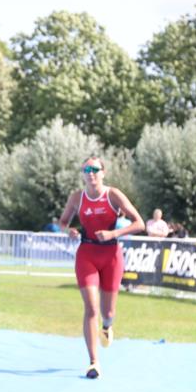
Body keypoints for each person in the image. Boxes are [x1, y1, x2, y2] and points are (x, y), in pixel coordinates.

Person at [58, 156, 144, 380]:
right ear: (83, 173)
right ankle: (94, 362)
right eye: (86, 169)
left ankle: (107, 325)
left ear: (103, 172)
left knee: (107, 312)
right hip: (86, 254)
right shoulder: (77, 197)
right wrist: (69, 231)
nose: (91, 173)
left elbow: (139, 223)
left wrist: (113, 233)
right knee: (91, 308)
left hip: (111, 256)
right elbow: (63, 222)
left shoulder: (113, 195)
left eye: (95, 169)